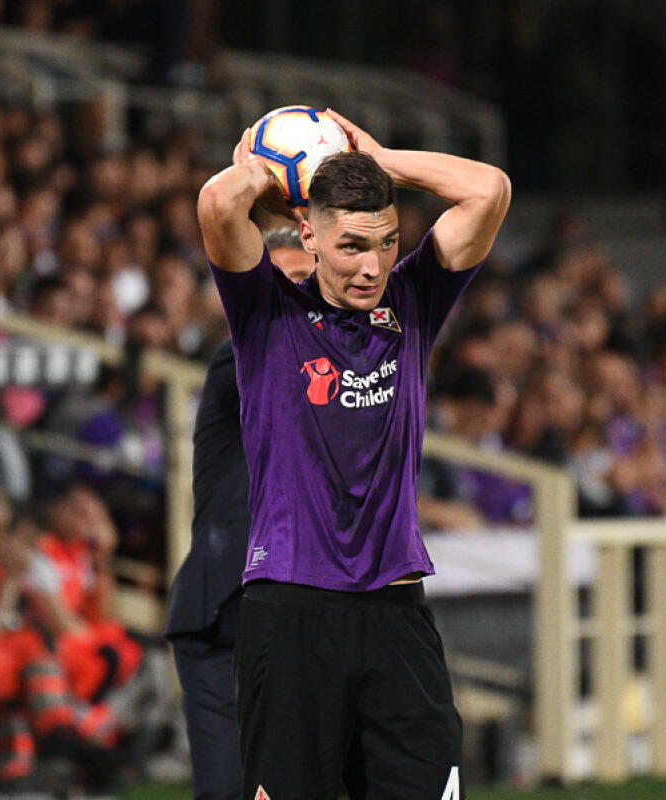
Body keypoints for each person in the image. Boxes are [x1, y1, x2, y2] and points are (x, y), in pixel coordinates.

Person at [196, 109, 510, 798]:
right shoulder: (266, 316)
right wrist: (271, 169)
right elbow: (219, 203)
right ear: (306, 232)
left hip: (396, 612)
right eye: (351, 246)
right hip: (291, 611)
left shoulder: (415, 300)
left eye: (387, 242)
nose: (372, 267)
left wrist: (380, 159)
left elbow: (488, 189)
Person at [165, 227, 313, 800]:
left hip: (308, 610)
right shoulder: (237, 360)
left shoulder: (349, 374)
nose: (288, 294)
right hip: (226, 616)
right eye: (273, 281)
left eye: (303, 280)